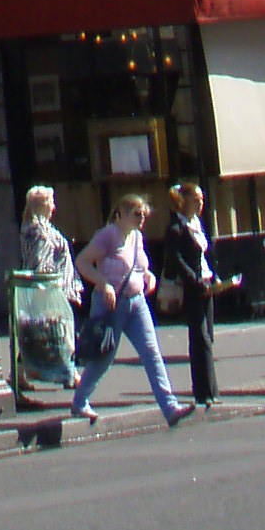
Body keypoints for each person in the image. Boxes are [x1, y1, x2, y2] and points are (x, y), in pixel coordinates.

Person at [68, 195, 191, 430]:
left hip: (136, 302)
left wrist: (149, 277)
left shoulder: (136, 237)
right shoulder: (107, 236)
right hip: (111, 305)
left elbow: (141, 267)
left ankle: (170, 407)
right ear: (121, 213)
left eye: (144, 214)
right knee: (104, 356)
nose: (142, 218)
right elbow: (82, 261)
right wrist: (103, 283)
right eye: (137, 214)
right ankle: (80, 401)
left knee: (151, 352)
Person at [167, 180, 230, 408]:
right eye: (196, 199)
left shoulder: (198, 225)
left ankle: (211, 389)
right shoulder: (176, 229)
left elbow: (204, 257)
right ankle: (203, 392)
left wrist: (214, 278)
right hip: (191, 289)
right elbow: (176, 261)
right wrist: (194, 281)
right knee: (199, 337)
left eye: (202, 199)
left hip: (206, 285)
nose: (200, 203)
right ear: (184, 201)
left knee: (208, 337)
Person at [15, 184, 78, 392]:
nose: (54, 207)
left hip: (51, 288)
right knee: (59, 331)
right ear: (41, 205)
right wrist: (52, 286)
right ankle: (70, 374)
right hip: (49, 290)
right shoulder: (39, 231)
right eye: (51, 202)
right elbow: (40, 264)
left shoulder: (34, 226)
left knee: (41, 332)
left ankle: (20, 373)